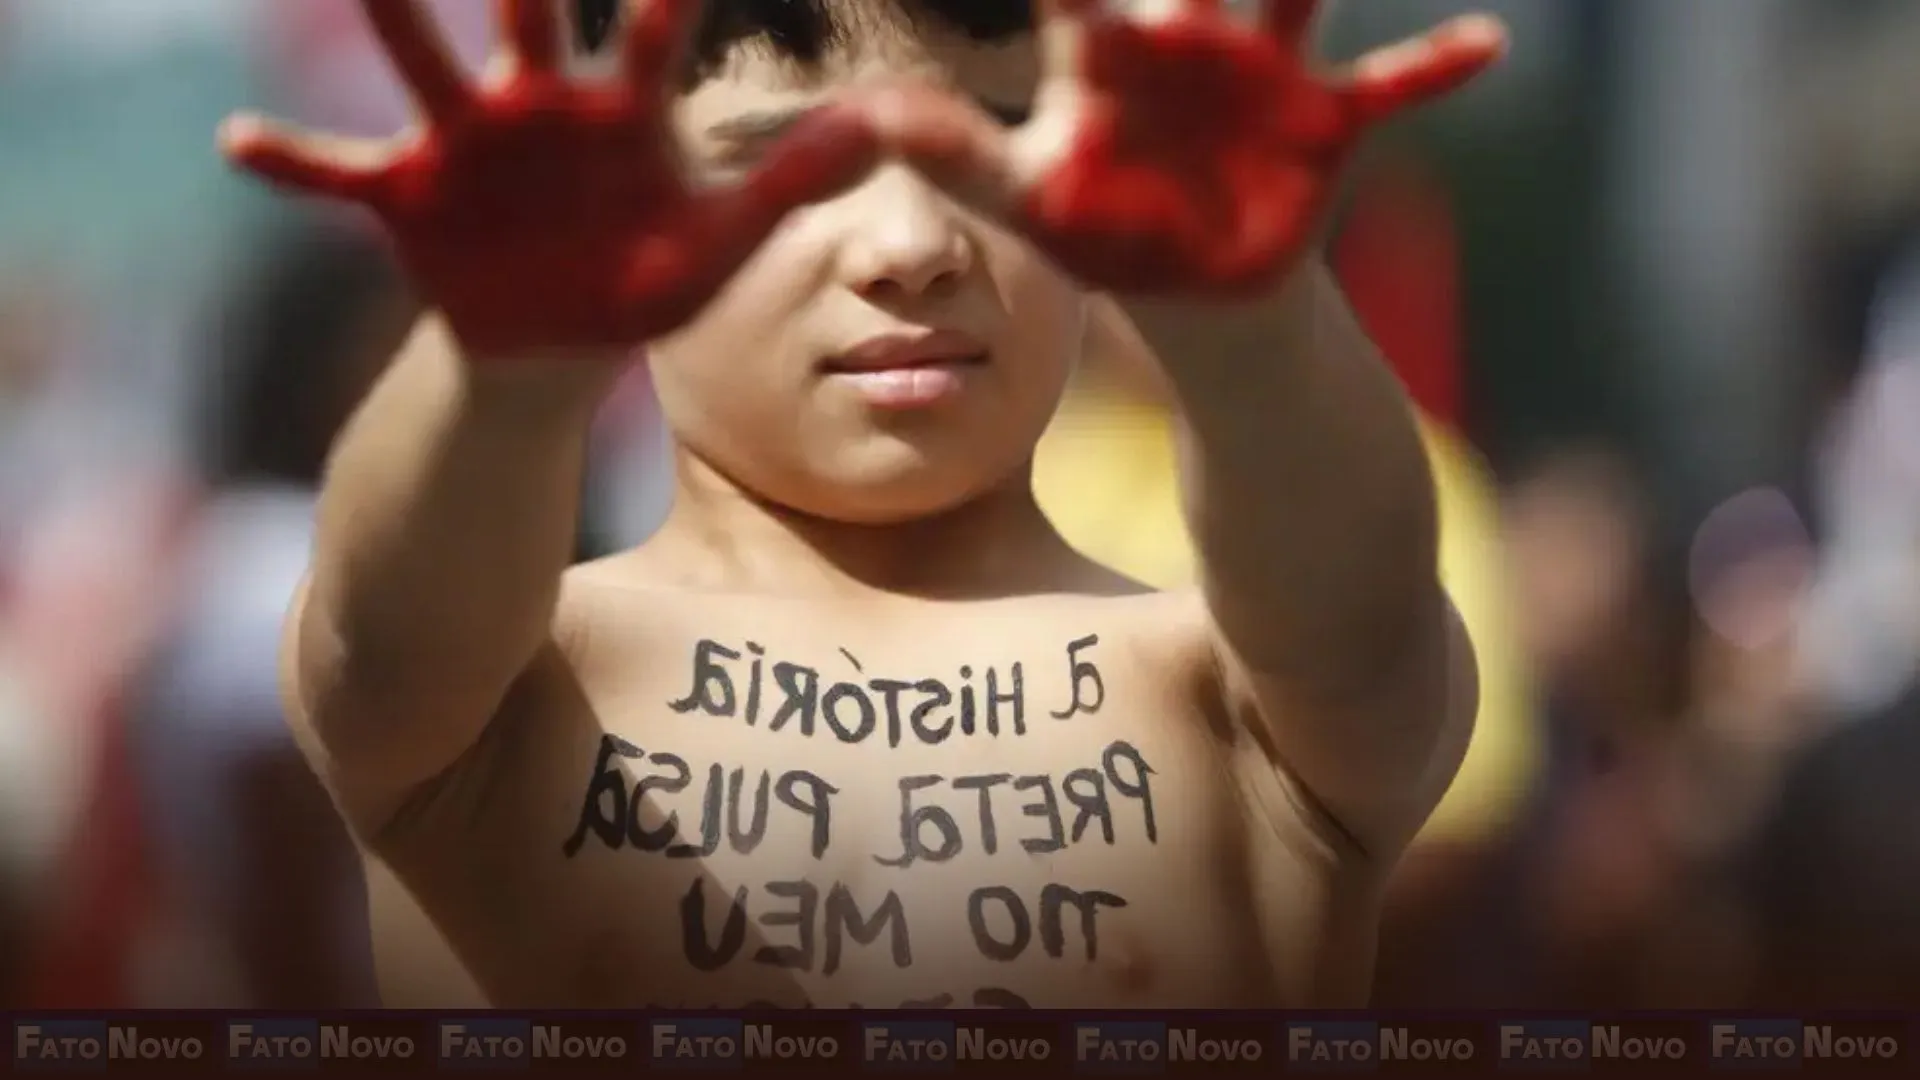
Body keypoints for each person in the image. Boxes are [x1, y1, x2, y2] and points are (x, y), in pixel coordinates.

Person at [219, 0, 1504, 1008]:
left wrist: (1254, 324)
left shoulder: (1231, 700)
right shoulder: (519, 690)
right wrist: (495, 361)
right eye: (783, 169)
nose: (909, 245)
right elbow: (379, 642)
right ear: (622, 199)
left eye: (996, 146)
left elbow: (1361, 627)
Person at [130, 223, 414, 1007]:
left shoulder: (276, 547)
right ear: (326, 372)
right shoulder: (280, 565)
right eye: (405, 347)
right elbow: (286, 863)